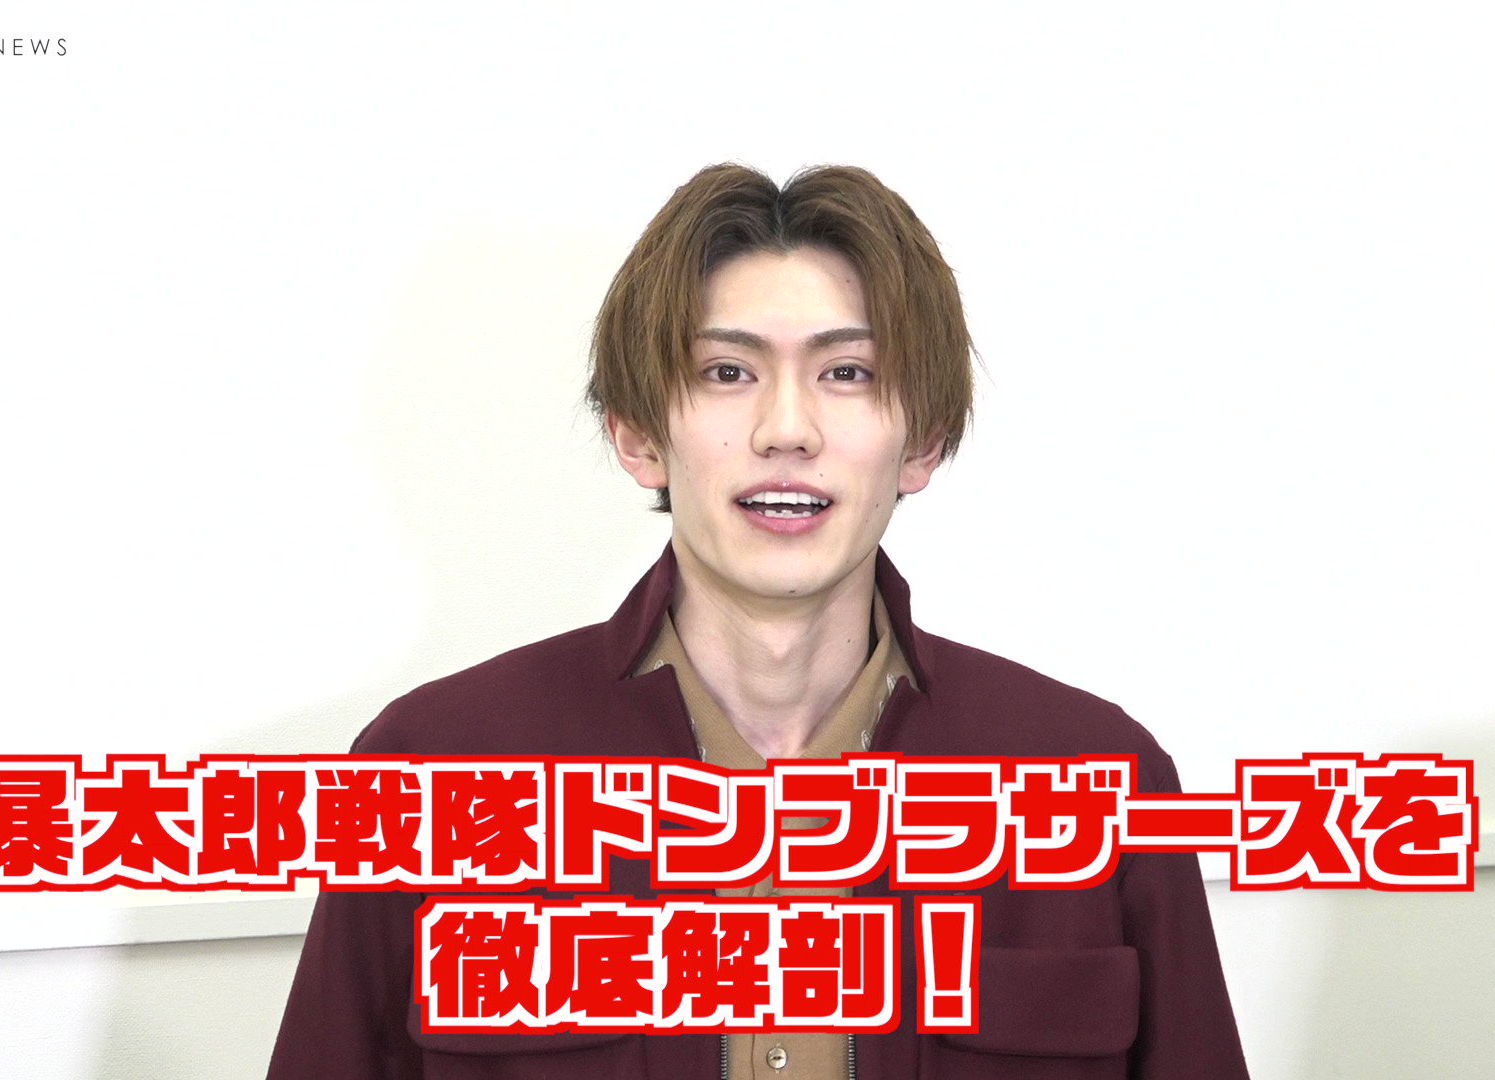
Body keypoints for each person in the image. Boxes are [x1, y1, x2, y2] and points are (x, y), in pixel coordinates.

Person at [266, 163, 1250, 1079]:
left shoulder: (1100, 781)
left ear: (924, 440)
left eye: (848, 372)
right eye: (728, 373)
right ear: (638, 434)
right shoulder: (427, 773)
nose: (787, 430)